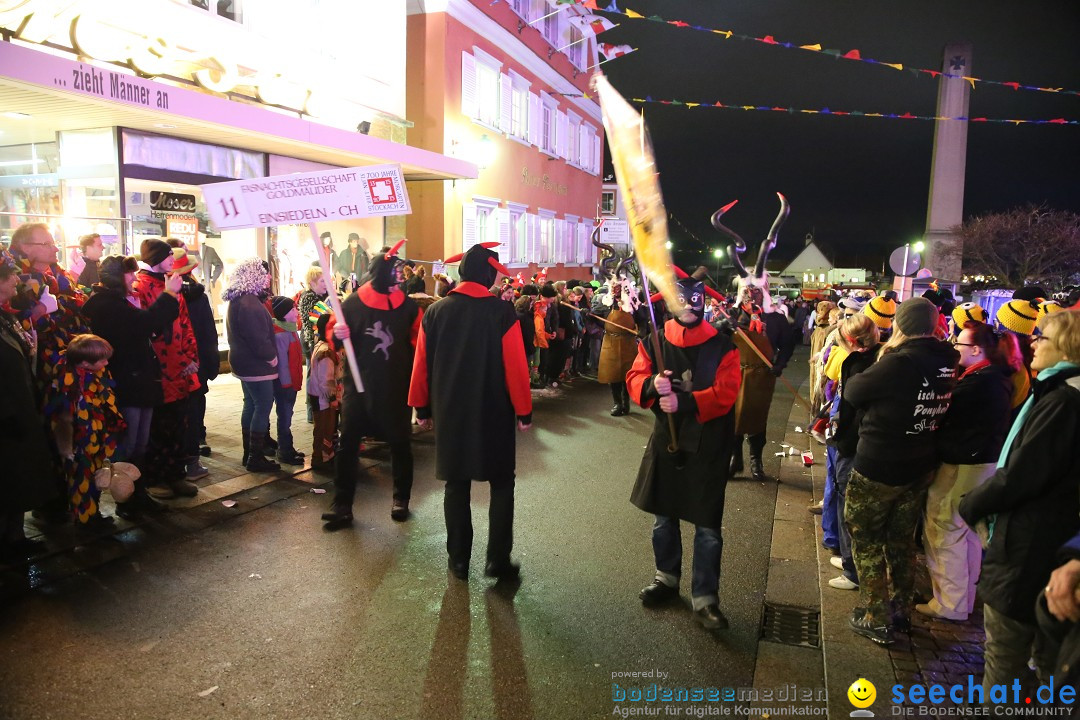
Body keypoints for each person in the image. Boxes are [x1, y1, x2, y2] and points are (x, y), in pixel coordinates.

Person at [960, 309, 1080, 697]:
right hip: (1040, 540)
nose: (1034, 342)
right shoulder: (1058, 391)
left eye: (1042, 336)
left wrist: (971, 505)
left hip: (1028, 546)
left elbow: (1023, 474)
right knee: (1037, 659)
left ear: (1066, 346)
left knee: (1004, 658)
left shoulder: (1064, 400)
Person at [408, 243, 532, 581]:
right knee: (502, 484)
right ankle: (497, 560)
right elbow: (516, 368)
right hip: (494, 411)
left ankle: (458, 561)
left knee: (456, 485)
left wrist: (422, 406)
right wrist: (523, 410)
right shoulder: (502, 313)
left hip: (451, 412)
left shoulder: (436, 312)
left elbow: (422, 366)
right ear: (488, 273)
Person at [626, 275, 742, 630]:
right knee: (665, 517)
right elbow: (635, 377)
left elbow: (727, 392)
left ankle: (705, 598)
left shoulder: (724, 347)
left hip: (708, 446)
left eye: (695, 301)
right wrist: (651, 384)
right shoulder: (655, 342)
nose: (689, 307)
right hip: (668, 442)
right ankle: (666, 578)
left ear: (703, 303)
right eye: (682, 301)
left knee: (708, 527)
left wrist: (686, 401)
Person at [843, 297, 959, 646]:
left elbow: (853, 391)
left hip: (880, 464)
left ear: (901, 326)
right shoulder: (947, 359)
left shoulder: (900, 361)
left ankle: (874, 617)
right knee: (901, 541)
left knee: (865, 538)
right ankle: (901, 612)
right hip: (920, 464)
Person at [320, 243, 422, 527]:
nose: (400, 278)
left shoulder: (409, 307)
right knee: (348, 444)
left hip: (396, 386)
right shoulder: (352, 304)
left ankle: (401, 498)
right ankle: (342, 504)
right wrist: (338, 334)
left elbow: (418, 343)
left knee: (401, 444)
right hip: (358, 384)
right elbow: (332, 334)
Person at [918, 321, 1013, 622]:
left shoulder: (980, 382)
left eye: (959, 344)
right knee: (966, 531)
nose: (954, 348)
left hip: (963, 463)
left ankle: (949, 603)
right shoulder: (996, 377)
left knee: (945, 527)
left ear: (976, 349)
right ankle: (963, 599)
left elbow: (950, 415)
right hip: (982, 462)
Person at [83, 255, 181, 519]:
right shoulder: (106, 305)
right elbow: (144, 322)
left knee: (140, 443)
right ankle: (126, 499)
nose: (134, 279)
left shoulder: (117, 302)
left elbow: (145, 326)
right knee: (129, 444)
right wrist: (169, 294)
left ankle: (138, 494)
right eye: (129, 274)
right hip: (127, 382)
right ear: (117, 277)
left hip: (139, 381)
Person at [133, 240, 201, 498]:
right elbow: (151, 330)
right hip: (159, 372)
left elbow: (185, 324)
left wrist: (191, 357)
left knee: (178, 425)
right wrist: (181, 360)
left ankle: (176, 475)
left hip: (180, 371)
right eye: (168, 254)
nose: (173, 257)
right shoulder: (141, 287)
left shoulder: (172, 284)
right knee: (158, 428)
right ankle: (156, 479)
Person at [0, 248, 56, 560]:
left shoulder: (5, 317)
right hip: (6, 414)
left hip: (19, 408)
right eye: (10, 280)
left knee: (19, 476)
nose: (14, 286)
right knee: (8, 478)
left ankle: (15, 535)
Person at [823, 314, 881, 592]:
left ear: (850, 340)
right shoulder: (882, 358)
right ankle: (848, 559)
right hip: (864, 443)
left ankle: (852, 570)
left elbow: (849, 409)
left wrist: (836, 431)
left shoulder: (855, 364)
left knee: (849, 507)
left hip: (852, 443)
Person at [45, 334, 125, 530]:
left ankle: (93, 513)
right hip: (77, 440)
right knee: (80, 479)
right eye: (102, 359)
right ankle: (85, 521)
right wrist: (66, 447)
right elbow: (63, 418)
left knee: (96, 476)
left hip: (96, 434)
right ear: (83, 362)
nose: (106, 362)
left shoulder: (97, 374)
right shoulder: (67, 382)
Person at [166, 239, 219, 473]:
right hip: (195, 359)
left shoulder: (165, 294)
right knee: (196, 403)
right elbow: (207, 332)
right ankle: (194, 450)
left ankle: (183, 456)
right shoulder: (197, 295)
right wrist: (209, 361)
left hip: (173, 362)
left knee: (179, 411)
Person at [224, 258, 280, 473]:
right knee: (262, 405)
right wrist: (271, 357)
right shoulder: (249, 302)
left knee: (251, 404)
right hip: (256, 366)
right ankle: (255, 456)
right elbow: (258, 339)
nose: (268, 277)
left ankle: (249, 453)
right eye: (263, 273)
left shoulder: (239, 299)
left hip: (243, 363)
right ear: (253, 276)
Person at [730, 305, 776, 481]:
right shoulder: (735, 320)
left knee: (757, 417)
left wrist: (780, 362)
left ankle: (756, 460)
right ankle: (735, 459)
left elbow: (785, 342)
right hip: (737, 374)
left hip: (761, 376)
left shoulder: (773, 318)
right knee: (735, 417)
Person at [595, 279, 640, 416]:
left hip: (628, 342)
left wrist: (641, 331)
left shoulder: (633, 304)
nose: (615, 290)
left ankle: (626, 402)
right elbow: (594, 316)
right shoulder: (606, 303)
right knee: (613, 374)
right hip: (611, 342)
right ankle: (617, 403)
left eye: (618, 287)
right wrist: (587, 313)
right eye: (613, 287)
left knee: (627, 374)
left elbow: (642, 319)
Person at [270, 296, 305, 466]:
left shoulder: (290, 330)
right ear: (284, 314)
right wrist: (287, 384)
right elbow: (282, 363)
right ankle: (284, 451)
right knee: (284, 417)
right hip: (286, 384)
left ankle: (287, 448)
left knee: (287, 416)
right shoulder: (281, 334)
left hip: (292, 381)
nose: (296, 311)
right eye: (293, 309)